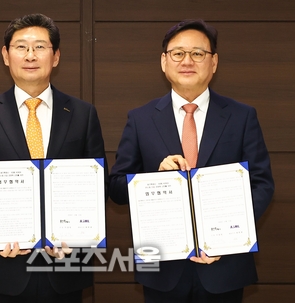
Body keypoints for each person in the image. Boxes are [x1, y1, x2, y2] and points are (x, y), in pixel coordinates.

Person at [109, 19, 274, 303]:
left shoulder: (241, 116)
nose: (187, 61)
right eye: (178, 53)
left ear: (214, 62)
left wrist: (227, 238)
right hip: (162, 268)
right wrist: (154, 176)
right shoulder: (140, 118)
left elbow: (262, 185)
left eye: (198, 53)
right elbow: (116, 188)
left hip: (225, 265)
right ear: (164, 61)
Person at [0, 13, 106, 303]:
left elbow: (98, 185)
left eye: (40, 47)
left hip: (65, 265)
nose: (30, 55)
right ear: (6, 55)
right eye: (21, 47)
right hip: (4, 267)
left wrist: (77, 236)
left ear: (56, 56)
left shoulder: (83, 113)